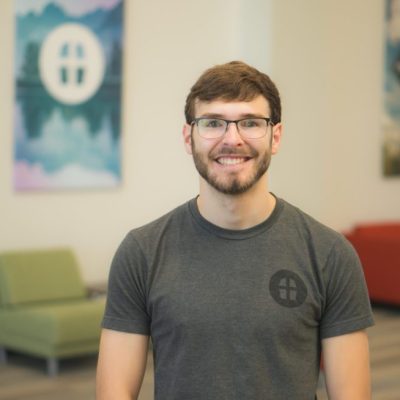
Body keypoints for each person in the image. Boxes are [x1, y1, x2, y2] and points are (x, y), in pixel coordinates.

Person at [96, 61, 374, 400]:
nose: (232, 139)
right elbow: (114, 392)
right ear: (188, 137)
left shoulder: (330, 254)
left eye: (251, 123)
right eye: (213, 123)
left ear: (275, 136)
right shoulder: (141, 252)